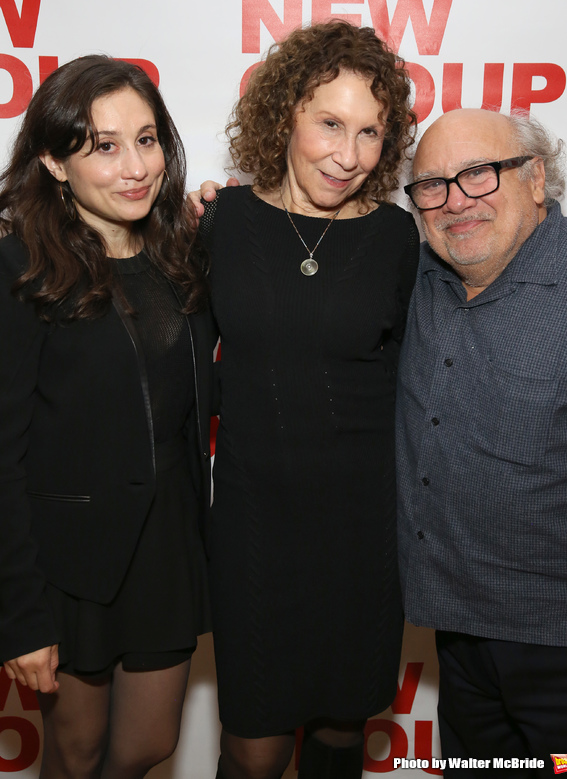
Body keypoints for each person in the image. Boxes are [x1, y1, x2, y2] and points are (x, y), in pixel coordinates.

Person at [196, 20, 419, 779]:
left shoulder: (397, 238)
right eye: (330, 124)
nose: (349, 155)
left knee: (336, 741)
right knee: (251, 751)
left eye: (370, 133)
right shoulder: (221, 222)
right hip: (256, 530)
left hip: (362, 535)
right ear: (286, 110)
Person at [0, 56, 214, 778]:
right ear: (56, 162)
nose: (135, 167)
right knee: (75, 751)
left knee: (147, 745)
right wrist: (19, 615)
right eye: (103, 145)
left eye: (147, 139)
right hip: (67, 565)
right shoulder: (20, 266)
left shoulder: (181, 253)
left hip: (167, 552)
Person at [397, 107, 567, 777]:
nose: (456, 201)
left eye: (479, 174)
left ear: (536, 177)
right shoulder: (417, 275)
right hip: (459, 636)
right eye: (433, 184)